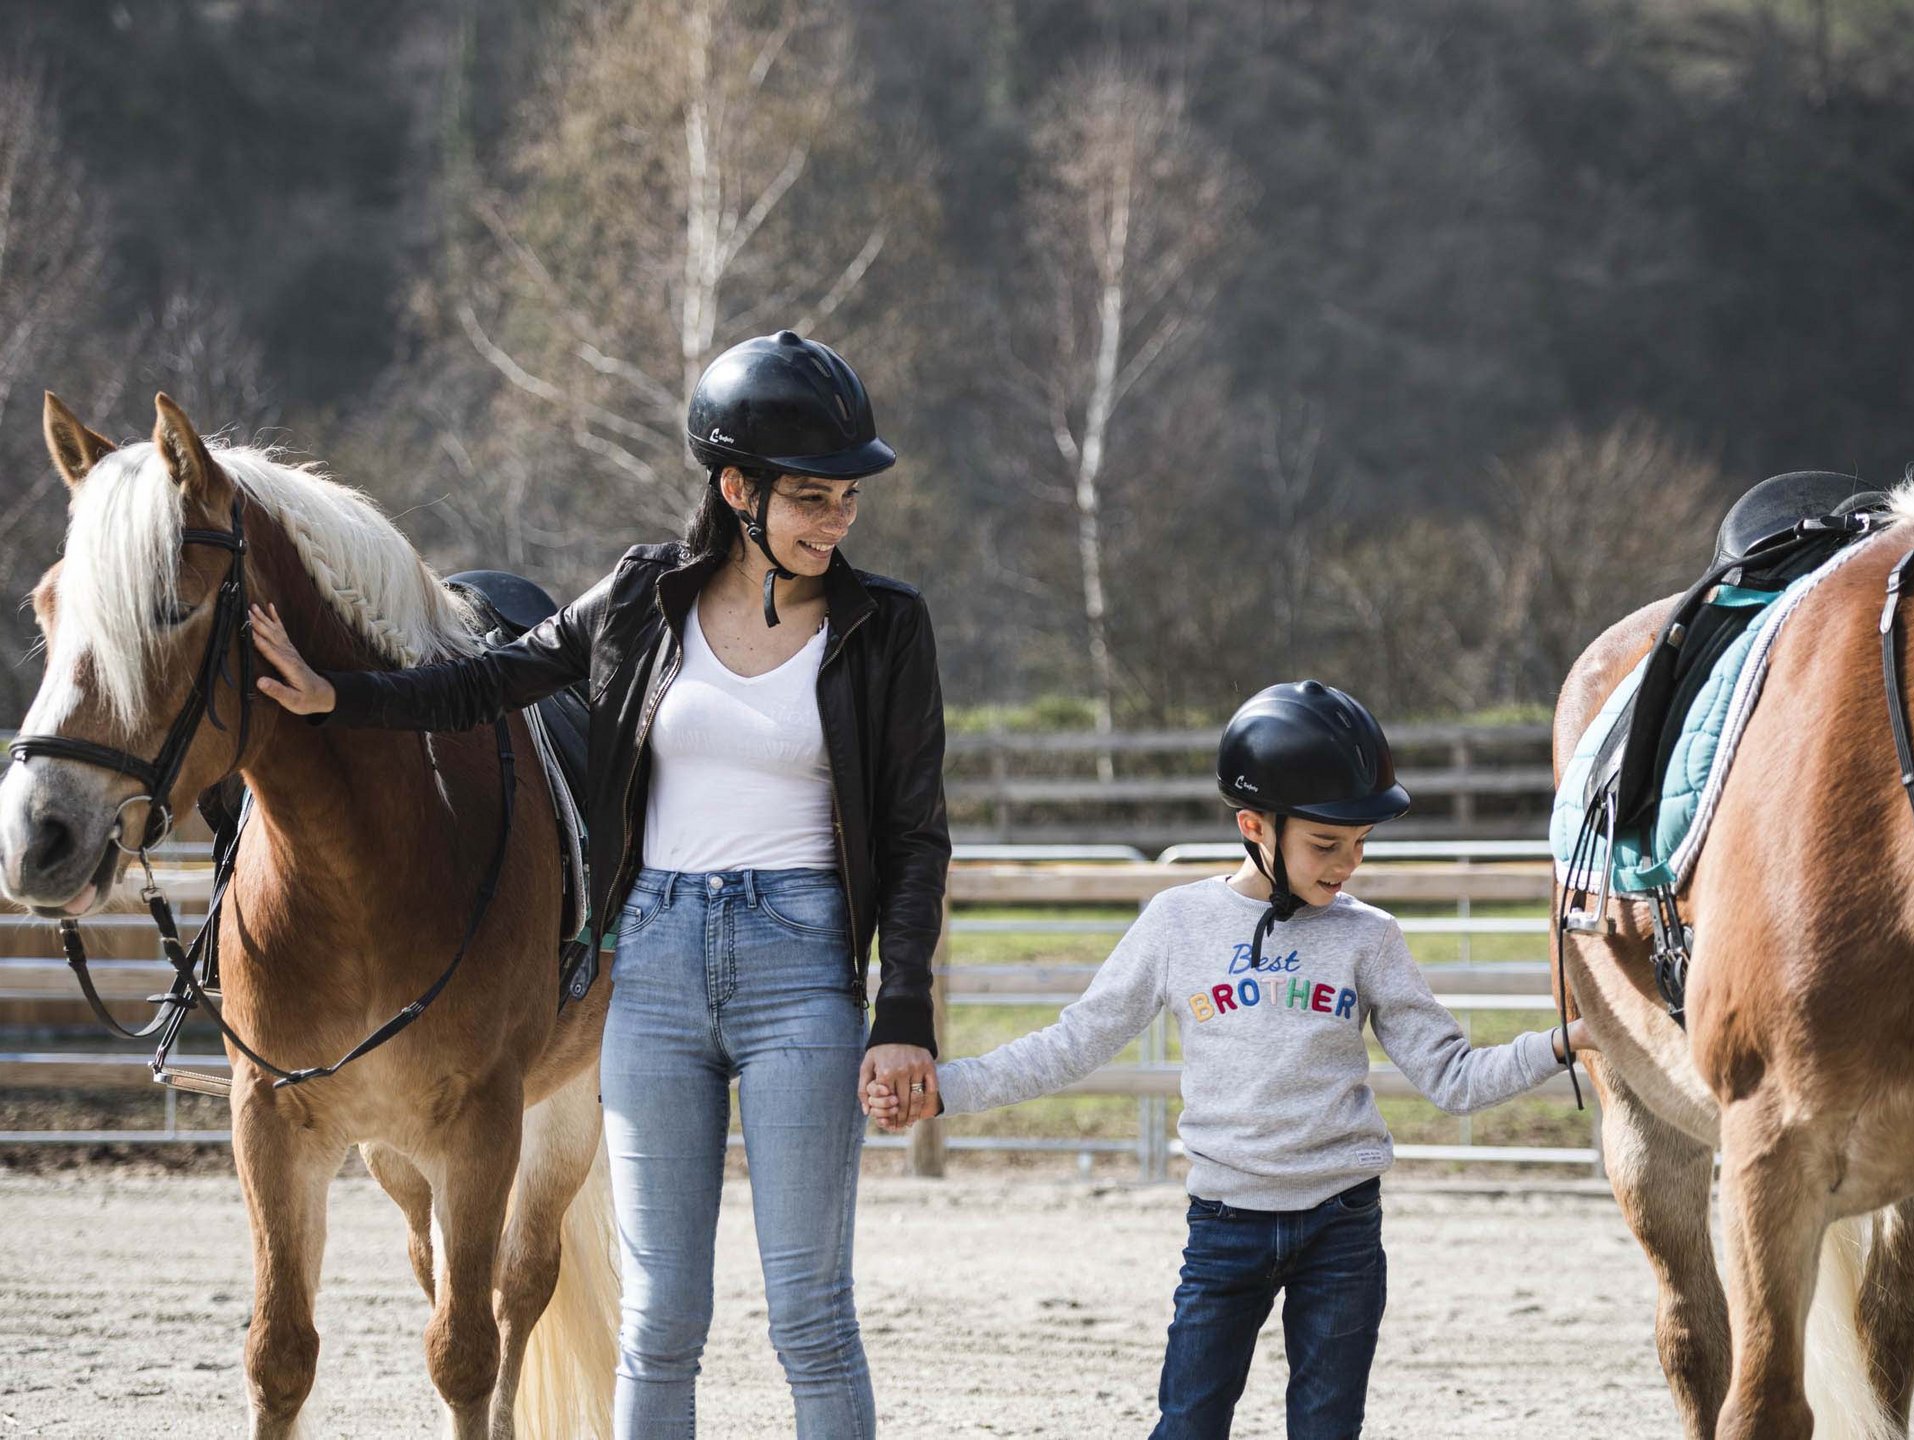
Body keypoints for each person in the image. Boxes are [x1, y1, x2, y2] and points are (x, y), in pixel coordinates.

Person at [252, 329, 950, 1439]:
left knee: (811, 1315)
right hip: (656, 959)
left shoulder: (885, 629)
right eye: (813, 498)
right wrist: (336, 697)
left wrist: (903, 1007)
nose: (838, 521)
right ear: (737, 489)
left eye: (846, 500)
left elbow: (916, 838)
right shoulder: (640, 599)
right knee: (661, 1315)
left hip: (801, 966)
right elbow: (487, 682)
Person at [867, 680, 1590, 1440]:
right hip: (1224, 1228)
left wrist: (1562, 1043)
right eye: (1325, 844)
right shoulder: (1179, 924)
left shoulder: (1368, 938)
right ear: (1254, 825)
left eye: (1359, 844)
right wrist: (942, 1091)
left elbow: (1453, 1080)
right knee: (1187, 1426)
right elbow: (1071, 1044)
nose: (1348, 865)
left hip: (1341, 1228)